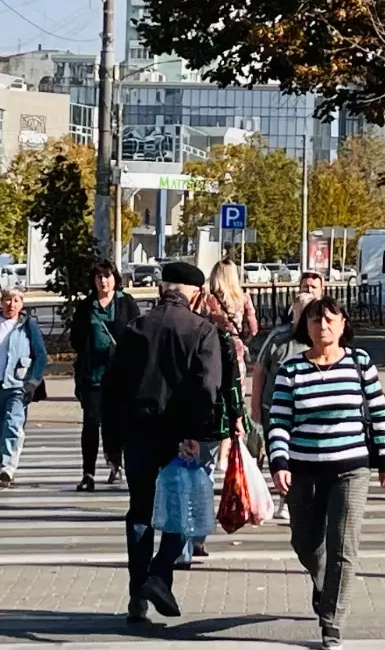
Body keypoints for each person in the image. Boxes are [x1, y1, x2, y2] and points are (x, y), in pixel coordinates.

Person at [268, 297, 385, 650]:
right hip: (304, 469)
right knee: (306, 543)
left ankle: (332, 622)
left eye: (329, 319)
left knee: (343, 548)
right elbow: (279, 420)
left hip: (351, 469)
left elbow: (379, 414)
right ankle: (324, 584)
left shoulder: (359, 364)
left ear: (343, 325)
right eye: (314, 320)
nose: (322, 326)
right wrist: (279, 462)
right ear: (305, 328)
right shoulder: (292, 370)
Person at [103, 261, 221, 625]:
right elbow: (207, 387)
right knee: (181, 512)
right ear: (197, 295)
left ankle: (139, 594)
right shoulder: (202, 330)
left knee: (140, 512)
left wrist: (111, 443)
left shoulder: (135, 328)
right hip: (180, 437)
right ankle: (158, 574)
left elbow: (113, 389)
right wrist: (197, 435)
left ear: (161, 289)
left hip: (138, 433)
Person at [183, 259, 255, 561]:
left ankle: (186, 540)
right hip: (231, 365)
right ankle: (197, 536)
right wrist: (238, 415)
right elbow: (252, 327)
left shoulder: (206, 302)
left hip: (198, 379)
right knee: (206, 468)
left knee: (190, 471)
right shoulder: (242, 298)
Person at [69, 260, 141, 491]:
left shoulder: (126, 303)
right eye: (99, 277)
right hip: (93, 376)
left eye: (108, 276)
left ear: (115, 279)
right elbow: (75, 338)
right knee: (91, 423)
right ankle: (88, 473)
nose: (103, 281)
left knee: (117, 423)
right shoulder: (86, 307)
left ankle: (115, 465)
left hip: (121, 376)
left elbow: (138, 333)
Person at [0, 287, 47, 488]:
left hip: (17, 385)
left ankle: (8, 468)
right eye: (7, 300)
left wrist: (33, 380)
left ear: (22, 303)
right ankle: (2, 463)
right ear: (1, 302)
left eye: (15, 300)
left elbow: (40, 355)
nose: (11, 304)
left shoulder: (27, 326)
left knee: (13, 424)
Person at [250, 291, 318, 521]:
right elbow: (260, 370)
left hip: (307, 412)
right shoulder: (279, 338)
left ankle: (295, 498)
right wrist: (255, 407)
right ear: (293, 312)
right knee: (278, 455)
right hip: (275, 409)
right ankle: (285, 496)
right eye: (300, 312)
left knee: (300, 456)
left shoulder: (319, 338)